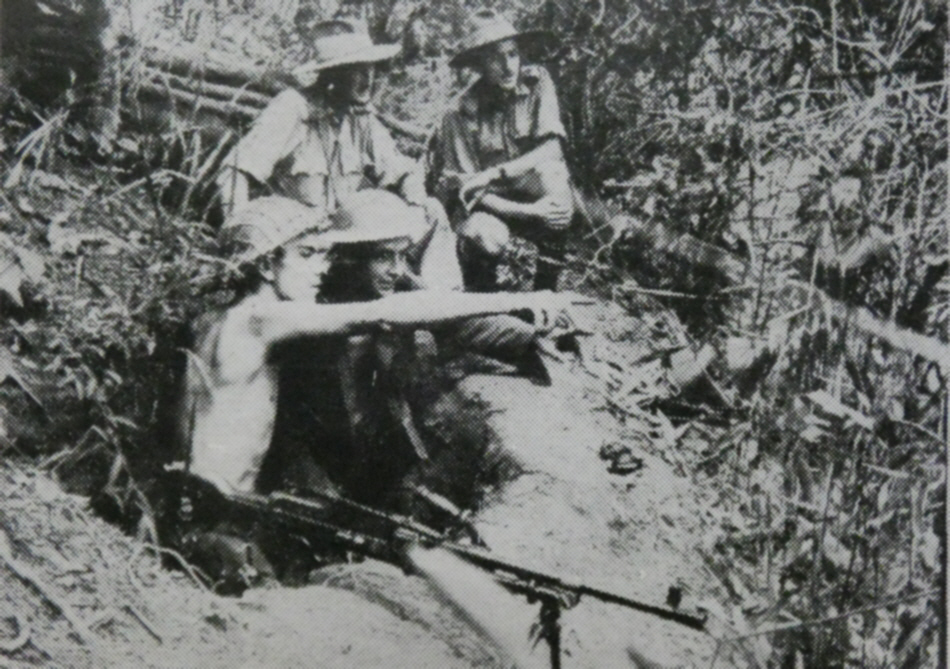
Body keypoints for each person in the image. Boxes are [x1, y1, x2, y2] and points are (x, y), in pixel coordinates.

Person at [178, 194, 569, 499]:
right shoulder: (260, 318)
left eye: (323, 255)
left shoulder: (228, 316)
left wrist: (525, 331)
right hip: (228, 503)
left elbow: (441, 312)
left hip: (231, 495)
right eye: (308, 255)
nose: (320, 267)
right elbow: (387, 313)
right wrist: (516, 300)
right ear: (265, 266)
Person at [215, 18, 462, 289]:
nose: (367, 78)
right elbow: (236, 172)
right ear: (332, 74)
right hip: (306, 243)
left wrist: (414, 204)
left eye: (369, 68)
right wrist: (241, 246)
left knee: (431, 210)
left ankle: (443, 298)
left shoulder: (361, 118)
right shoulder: (293, 108)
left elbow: (402, 169)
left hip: (348, 238)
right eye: (356, 70)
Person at [427, 9, 575, 292]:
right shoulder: (458, 112)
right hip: (486, 207)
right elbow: (469, 192)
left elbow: (553, 149)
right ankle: (484, 299)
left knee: (555, 177)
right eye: (496, 58)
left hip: (525, 192)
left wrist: (497, 172)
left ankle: (546, 292)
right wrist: (531, 213)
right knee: (485, 236)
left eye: (512, 54)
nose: (508, 67)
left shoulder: (537, 83)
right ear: (480, 64)